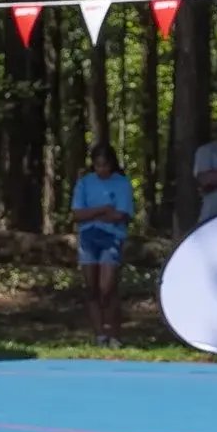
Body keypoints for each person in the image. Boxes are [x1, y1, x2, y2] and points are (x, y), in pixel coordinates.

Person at [71, 143, 135, 345]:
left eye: (105, 165)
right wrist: (103, 210)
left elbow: (121, 215)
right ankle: (100, 334)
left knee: (107, 287)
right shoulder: (84, 183)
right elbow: (78, 214)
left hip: (111, 238)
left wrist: (96, 214)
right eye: (98, 165)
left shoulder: (122, 183)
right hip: (88, 237)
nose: (102, 170)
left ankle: (114, 333)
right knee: (92, 289)